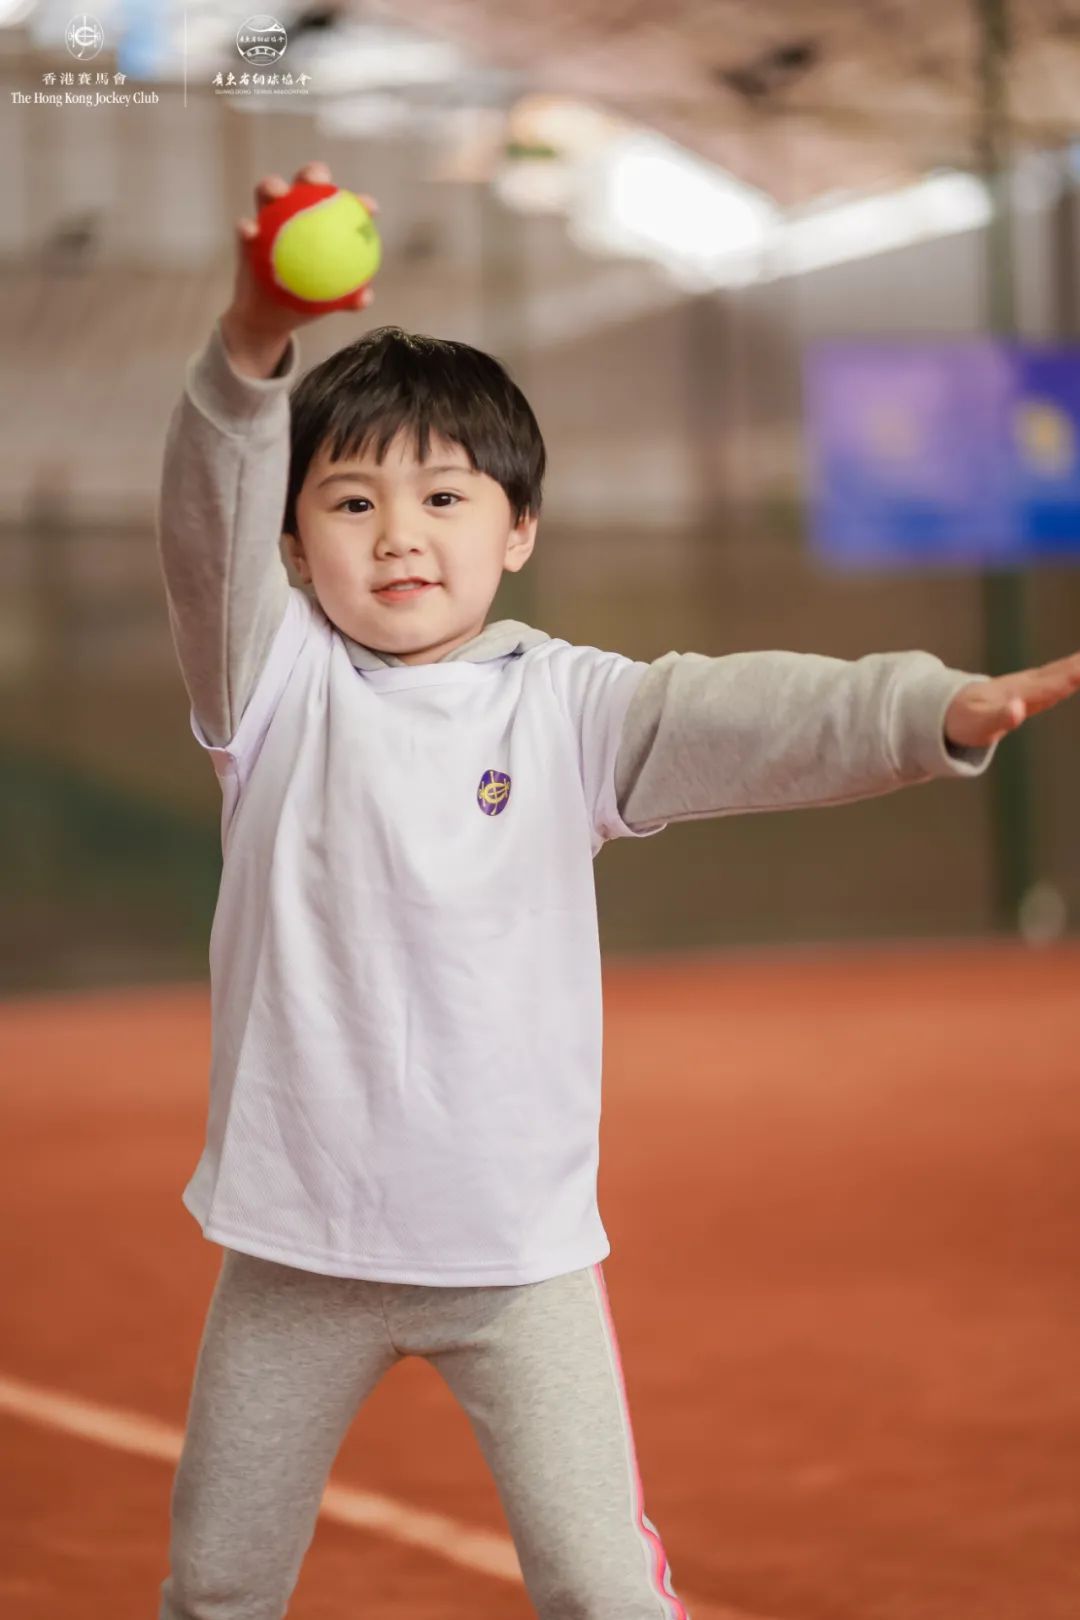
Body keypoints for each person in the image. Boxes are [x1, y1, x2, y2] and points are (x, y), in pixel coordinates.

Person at [154, 159, 1079, 1620]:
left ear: (516, 530)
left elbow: (743, 711)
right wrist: (257, 336)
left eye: (444, 496)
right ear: (290, 545)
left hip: (519, 1262)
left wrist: (928, 709)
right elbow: (205, 512)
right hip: (295, 1253)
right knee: (215, 1589)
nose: (398, 534)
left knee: (603, 1592)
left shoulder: (570, 706)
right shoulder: (268, 688)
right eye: (350, 500)